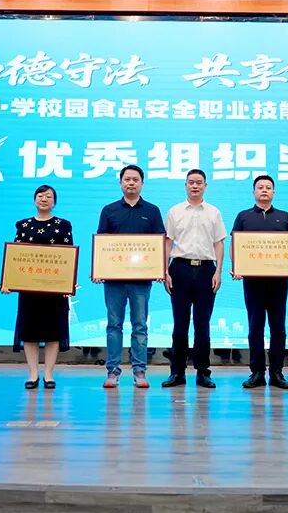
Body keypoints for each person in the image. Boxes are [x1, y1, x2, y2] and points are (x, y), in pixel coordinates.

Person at [94, 165, 166, 389]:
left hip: (141, 281)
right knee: (114, 325)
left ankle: (139, 371)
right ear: (121, 183)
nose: (131, 183)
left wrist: (160, 269)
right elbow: (102, 243)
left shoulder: (152, 211)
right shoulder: (109, 210)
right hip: (113, 280)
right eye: (127, 179)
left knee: (140, 325)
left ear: (142, 183)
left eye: (135, 179)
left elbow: (160, 242)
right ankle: (112, 371)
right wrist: (98, 269)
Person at [231, 175, 288, 390]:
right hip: (253, 281)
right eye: (260, 187)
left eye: (268, 187)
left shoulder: (284, 216)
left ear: (273, 192)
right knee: (255, 326)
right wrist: (237, 267)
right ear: (254, 192)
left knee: (278, 327)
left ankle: (277, 373)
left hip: (278, 282)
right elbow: (235, 244)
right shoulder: (244, 216)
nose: (264, 190)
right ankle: (257, 373)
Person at [2, 184, 73, 390]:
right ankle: (33, 374)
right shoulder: (23, 225)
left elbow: (68, 255)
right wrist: (8, 281)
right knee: (29, 331)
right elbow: (15, 257)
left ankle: (49, 375)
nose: (44, 199)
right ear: (34, 200)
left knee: (53, 332)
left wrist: (68, 282)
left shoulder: (63, 225)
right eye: (40, 195)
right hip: (29, 289)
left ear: (54, 202)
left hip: (55, 289)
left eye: (49, 196)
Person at [161, 169, 227, 389]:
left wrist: (218, 271)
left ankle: (203, 372)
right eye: (191, 182)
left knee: (202, 324)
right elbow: (168, 243)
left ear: (205, 186)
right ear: (185, 185)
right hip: (179, 269)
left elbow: (219, 243)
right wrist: (165, 271)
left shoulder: (214, 212)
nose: (195, 186)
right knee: (180, 324)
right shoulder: (175, 211)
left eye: (199, 182)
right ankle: (177, 372)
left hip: (206, 270)